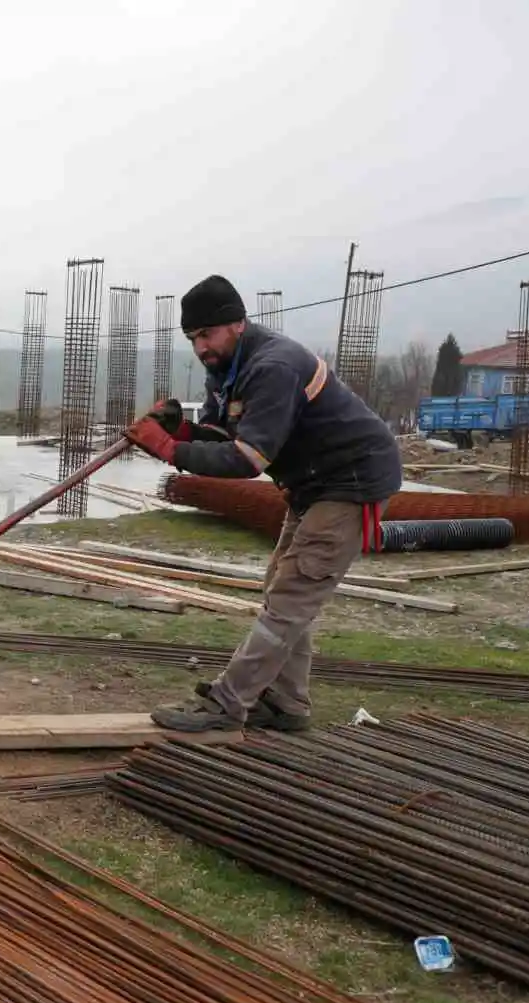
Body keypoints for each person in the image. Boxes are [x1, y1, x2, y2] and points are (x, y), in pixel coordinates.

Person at [123, 275, 402, 733]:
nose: (200, 348)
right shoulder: (226, 367)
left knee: (291, 596)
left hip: (351, 483)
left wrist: (170, 451)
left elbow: (249, 458)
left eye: (206, 335)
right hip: (312, 485)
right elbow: (227, 436)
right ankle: (286, 704)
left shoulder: (273, 366)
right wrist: (182, 431)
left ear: (236, 324)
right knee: (283, 587)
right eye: (192, 338)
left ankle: (228, 704)